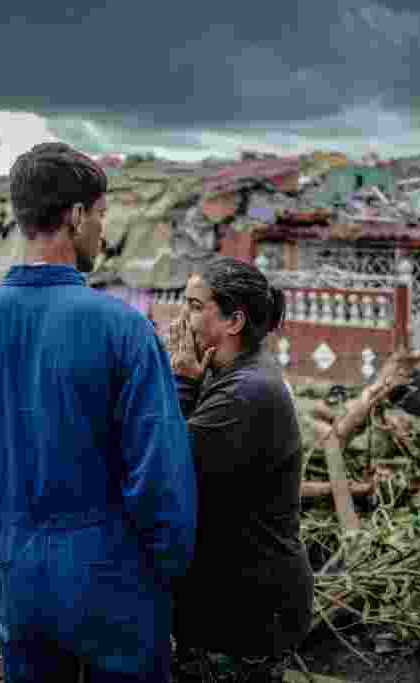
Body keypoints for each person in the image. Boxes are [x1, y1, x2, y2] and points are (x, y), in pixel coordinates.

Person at [0, 142, 196, 683]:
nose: (103, 231)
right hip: (111, 573)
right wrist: (167, 567)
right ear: (76, 217)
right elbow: (159, 474)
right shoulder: (123, 329)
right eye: (100, 216)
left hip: (18, 571)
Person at [165, 256, 314, 669]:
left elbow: (170, 469)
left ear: (234, 322)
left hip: (247, 609)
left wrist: (182, 381)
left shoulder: (244, 393)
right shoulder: (231, 375)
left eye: (196, 307)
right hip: (240, 599)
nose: (183, 319)